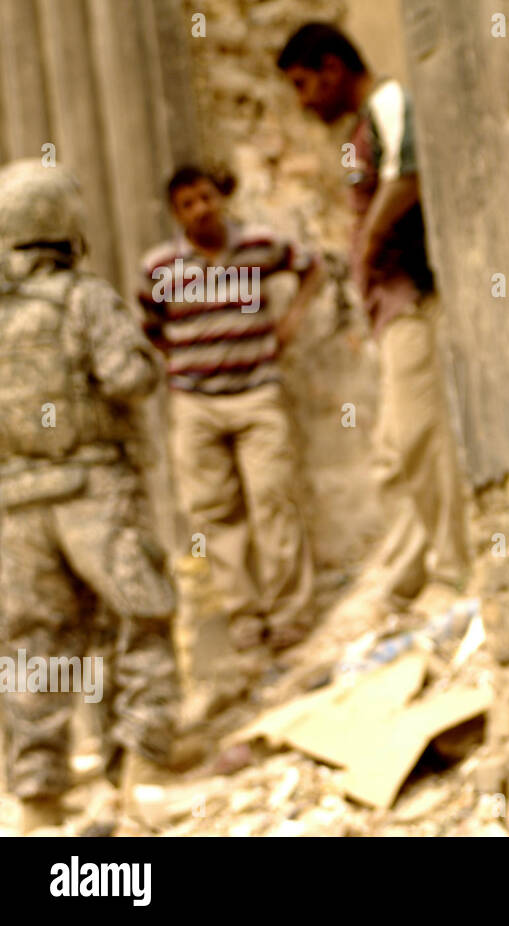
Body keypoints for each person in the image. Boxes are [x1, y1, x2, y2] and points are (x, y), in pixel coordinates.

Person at [0, 159, 180, 833]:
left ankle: (39, 797)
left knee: (32, 647)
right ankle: (142, 774)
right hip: (95, 493)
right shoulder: (83, 296)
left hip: (16, 508)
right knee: (140, 619)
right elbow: (128, 378)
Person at [276, 22, 472, 619]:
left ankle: (455, 571)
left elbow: (407, 178)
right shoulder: (359, 130)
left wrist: (365, 247)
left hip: (410, 297)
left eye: (305, 84)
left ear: (334, 68)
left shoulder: (388, 102)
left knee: (418, 437)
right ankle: (410, 578)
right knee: (391, 451)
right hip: (387, 307)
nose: (304, 102)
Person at [138, 166, 321, 657]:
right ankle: (244, 616)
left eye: (205, 198)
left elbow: (311, 265)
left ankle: (290, 614)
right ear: (176, 214)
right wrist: (182, 358)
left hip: (257, 392)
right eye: (188, 204)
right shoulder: (159, 267)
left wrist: (292, 319)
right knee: (214, 512)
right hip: (196, 404)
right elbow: (149, 324)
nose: (200, 210)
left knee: (272, 499)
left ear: (219, 198)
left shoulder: (259, 246)